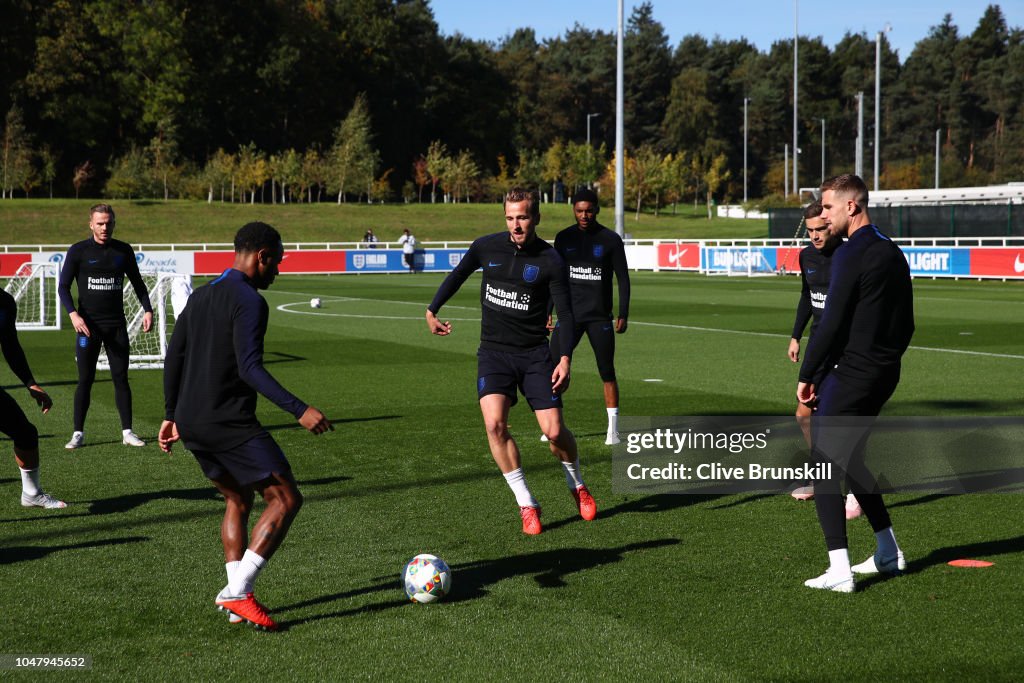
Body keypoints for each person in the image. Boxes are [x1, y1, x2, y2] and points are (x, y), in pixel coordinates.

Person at [158, 222, 332, 630]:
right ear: (261, 257)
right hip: (227, 421)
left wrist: (171, 414)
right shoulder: (250, 301)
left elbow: (174, 359)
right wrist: (299, 409)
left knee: (237, 500)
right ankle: (238, 591)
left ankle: (235, 597)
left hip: (192, 421)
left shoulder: (199, 298)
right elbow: (250, 368)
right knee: (286, 499)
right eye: (277, 263)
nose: (277, 272)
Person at [425, 188, 596, 535]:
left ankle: (577, 483)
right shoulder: (486, 247)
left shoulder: (551, 260)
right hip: (493, 353)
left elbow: (565, 312)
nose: (516, 225)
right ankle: (527, 504)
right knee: (494, 426)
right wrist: (432, 309)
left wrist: (564, 357)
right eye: (510, 217)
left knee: (553, 432)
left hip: (536, 355)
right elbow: (457, 275)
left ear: (536, 218)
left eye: (522, 217)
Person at [797, 174, 914, 593]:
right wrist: (885, 361)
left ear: (852, 206)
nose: (823, 217)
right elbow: (908, 323)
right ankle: (888, 551)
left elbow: (829, 326)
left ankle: (839, 569)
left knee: (824, 463)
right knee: (853, 461)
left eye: (828, 208)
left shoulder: (850, 255)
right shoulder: (890, 249)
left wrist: (807, 375)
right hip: (884, 372)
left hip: (853, 374)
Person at [786, 201, 861, 519]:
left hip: (846, 349)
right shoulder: (806, 256)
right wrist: (795, 335)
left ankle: (857, 489)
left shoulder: (850, 257)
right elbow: (807, 295)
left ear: (832, 225)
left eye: (821, 229)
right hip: (818, 347)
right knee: (804, 415)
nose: (815, 236)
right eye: (811, 230)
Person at [58, 204, 152, 449]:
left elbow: (139, 284)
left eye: (109, 222)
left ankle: (128, 432)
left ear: (114, 223)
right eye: (100, 223)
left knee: (121, 378)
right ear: (90, 224)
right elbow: (63, 287)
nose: (104, 227)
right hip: (87, 328)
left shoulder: (123, 251)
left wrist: (148, 309)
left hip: (116, 327)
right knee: (85, 379)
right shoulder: (79, 251)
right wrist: (73, 315)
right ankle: (78, 433)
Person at [548, 188, 630, 445]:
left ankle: (613, 430)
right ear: (574, 210)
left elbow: (623, 279)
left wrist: (623, 312)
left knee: (607, 371)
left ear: (597, 210)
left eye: (589, 211)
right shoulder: (563, 238)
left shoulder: (610, 240)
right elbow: (554, 279)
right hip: (568, 316)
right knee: (552, 367)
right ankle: (553, 424)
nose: (584, 215)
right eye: (580, 211)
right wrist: (547, 310)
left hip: (599, 318)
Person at [0, 288, 65, 509]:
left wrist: (30, 382)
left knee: (26, 433)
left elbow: (10, 346)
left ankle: (32, 494)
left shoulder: (4, 302)